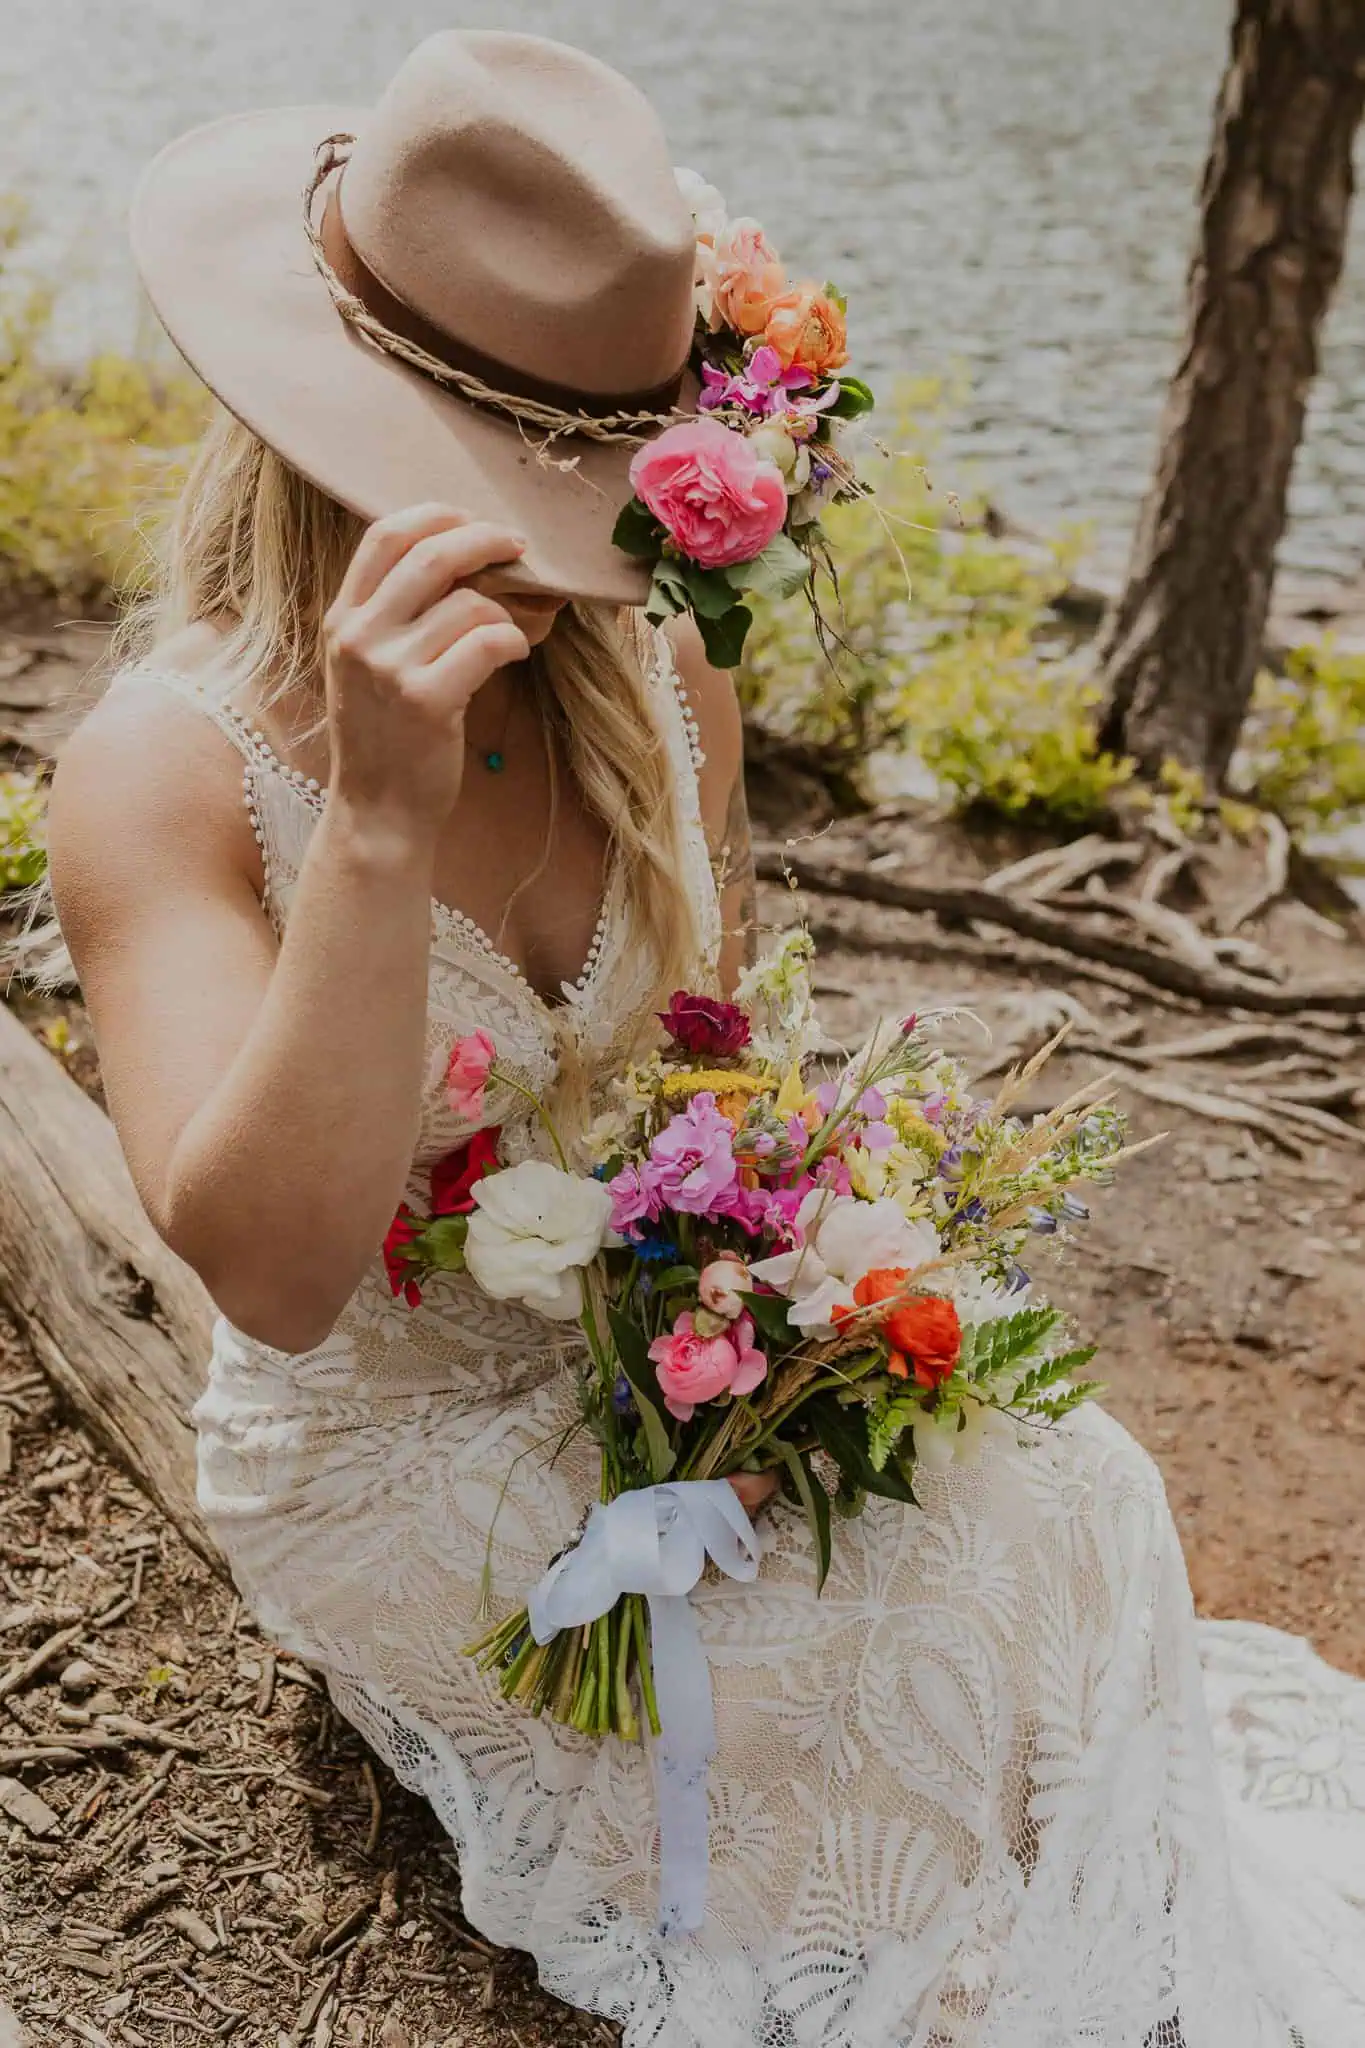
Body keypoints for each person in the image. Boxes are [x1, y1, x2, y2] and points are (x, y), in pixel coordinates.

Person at [38, 30, 1365, 2048]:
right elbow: (281, 1279)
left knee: (1066, 1491)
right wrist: (380, 837)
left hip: (649, 1341)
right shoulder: (170, 771)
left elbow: (706, 1073)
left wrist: (770, 1313)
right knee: (850, 1656)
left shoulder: (655, 669)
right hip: (387, 1440)